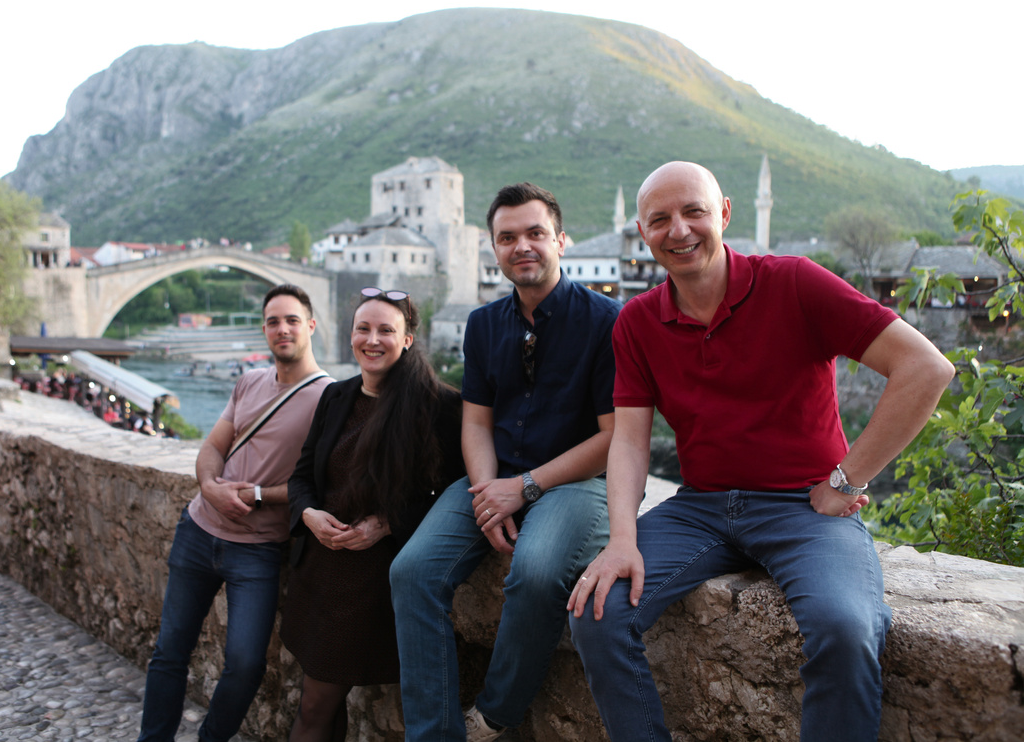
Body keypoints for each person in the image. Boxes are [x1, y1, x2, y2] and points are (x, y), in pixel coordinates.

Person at [568, 161, 956, 741]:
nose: (679, 230)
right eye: (659, 220)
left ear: (724, 213)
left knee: (845, 629)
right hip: (701, 509)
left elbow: (926, 367)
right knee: (597, 613)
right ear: (642, 234)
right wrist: (622, 537)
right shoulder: (638, 322)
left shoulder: (795, 282)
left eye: (693, 211)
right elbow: (629, 438)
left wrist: (847, 480)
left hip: (804, 507)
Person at [389, 183, 621, 741]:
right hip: (494, 475)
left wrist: (525, 488)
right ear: (494, 250)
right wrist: (488, 489)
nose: (523, 246)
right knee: (411, 572)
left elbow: (616, 439)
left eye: (536, 233)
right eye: (508, 237)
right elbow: (476, 421)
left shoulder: (610, 321)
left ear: (561, 241)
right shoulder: (484, 324)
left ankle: (495, 714)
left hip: (579, 479)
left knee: (537, 573)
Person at [137, 284, 332, 742]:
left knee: (245, 664)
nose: (281, 329)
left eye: (291, 320)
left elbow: (317, 487)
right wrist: (209, 486)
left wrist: (259, 495)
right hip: (198, 530)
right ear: (264, 330)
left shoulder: (328, 398)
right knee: (169, 652)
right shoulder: (248, 381)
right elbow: (213, 447)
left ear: (311, 326)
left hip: (259, 550)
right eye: (272, 322)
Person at [281, 287, 464, 741]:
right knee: (322, 696)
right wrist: (308, 515)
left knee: (314, 703)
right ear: (351, 335)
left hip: (370, 581)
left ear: (406, 340)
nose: (373, 339)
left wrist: (385, 524)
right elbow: (302, 476)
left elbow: (455, 495)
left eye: (386, 329)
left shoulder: (439, 406)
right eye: (363, 328)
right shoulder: (336, 396)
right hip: (318, 570)